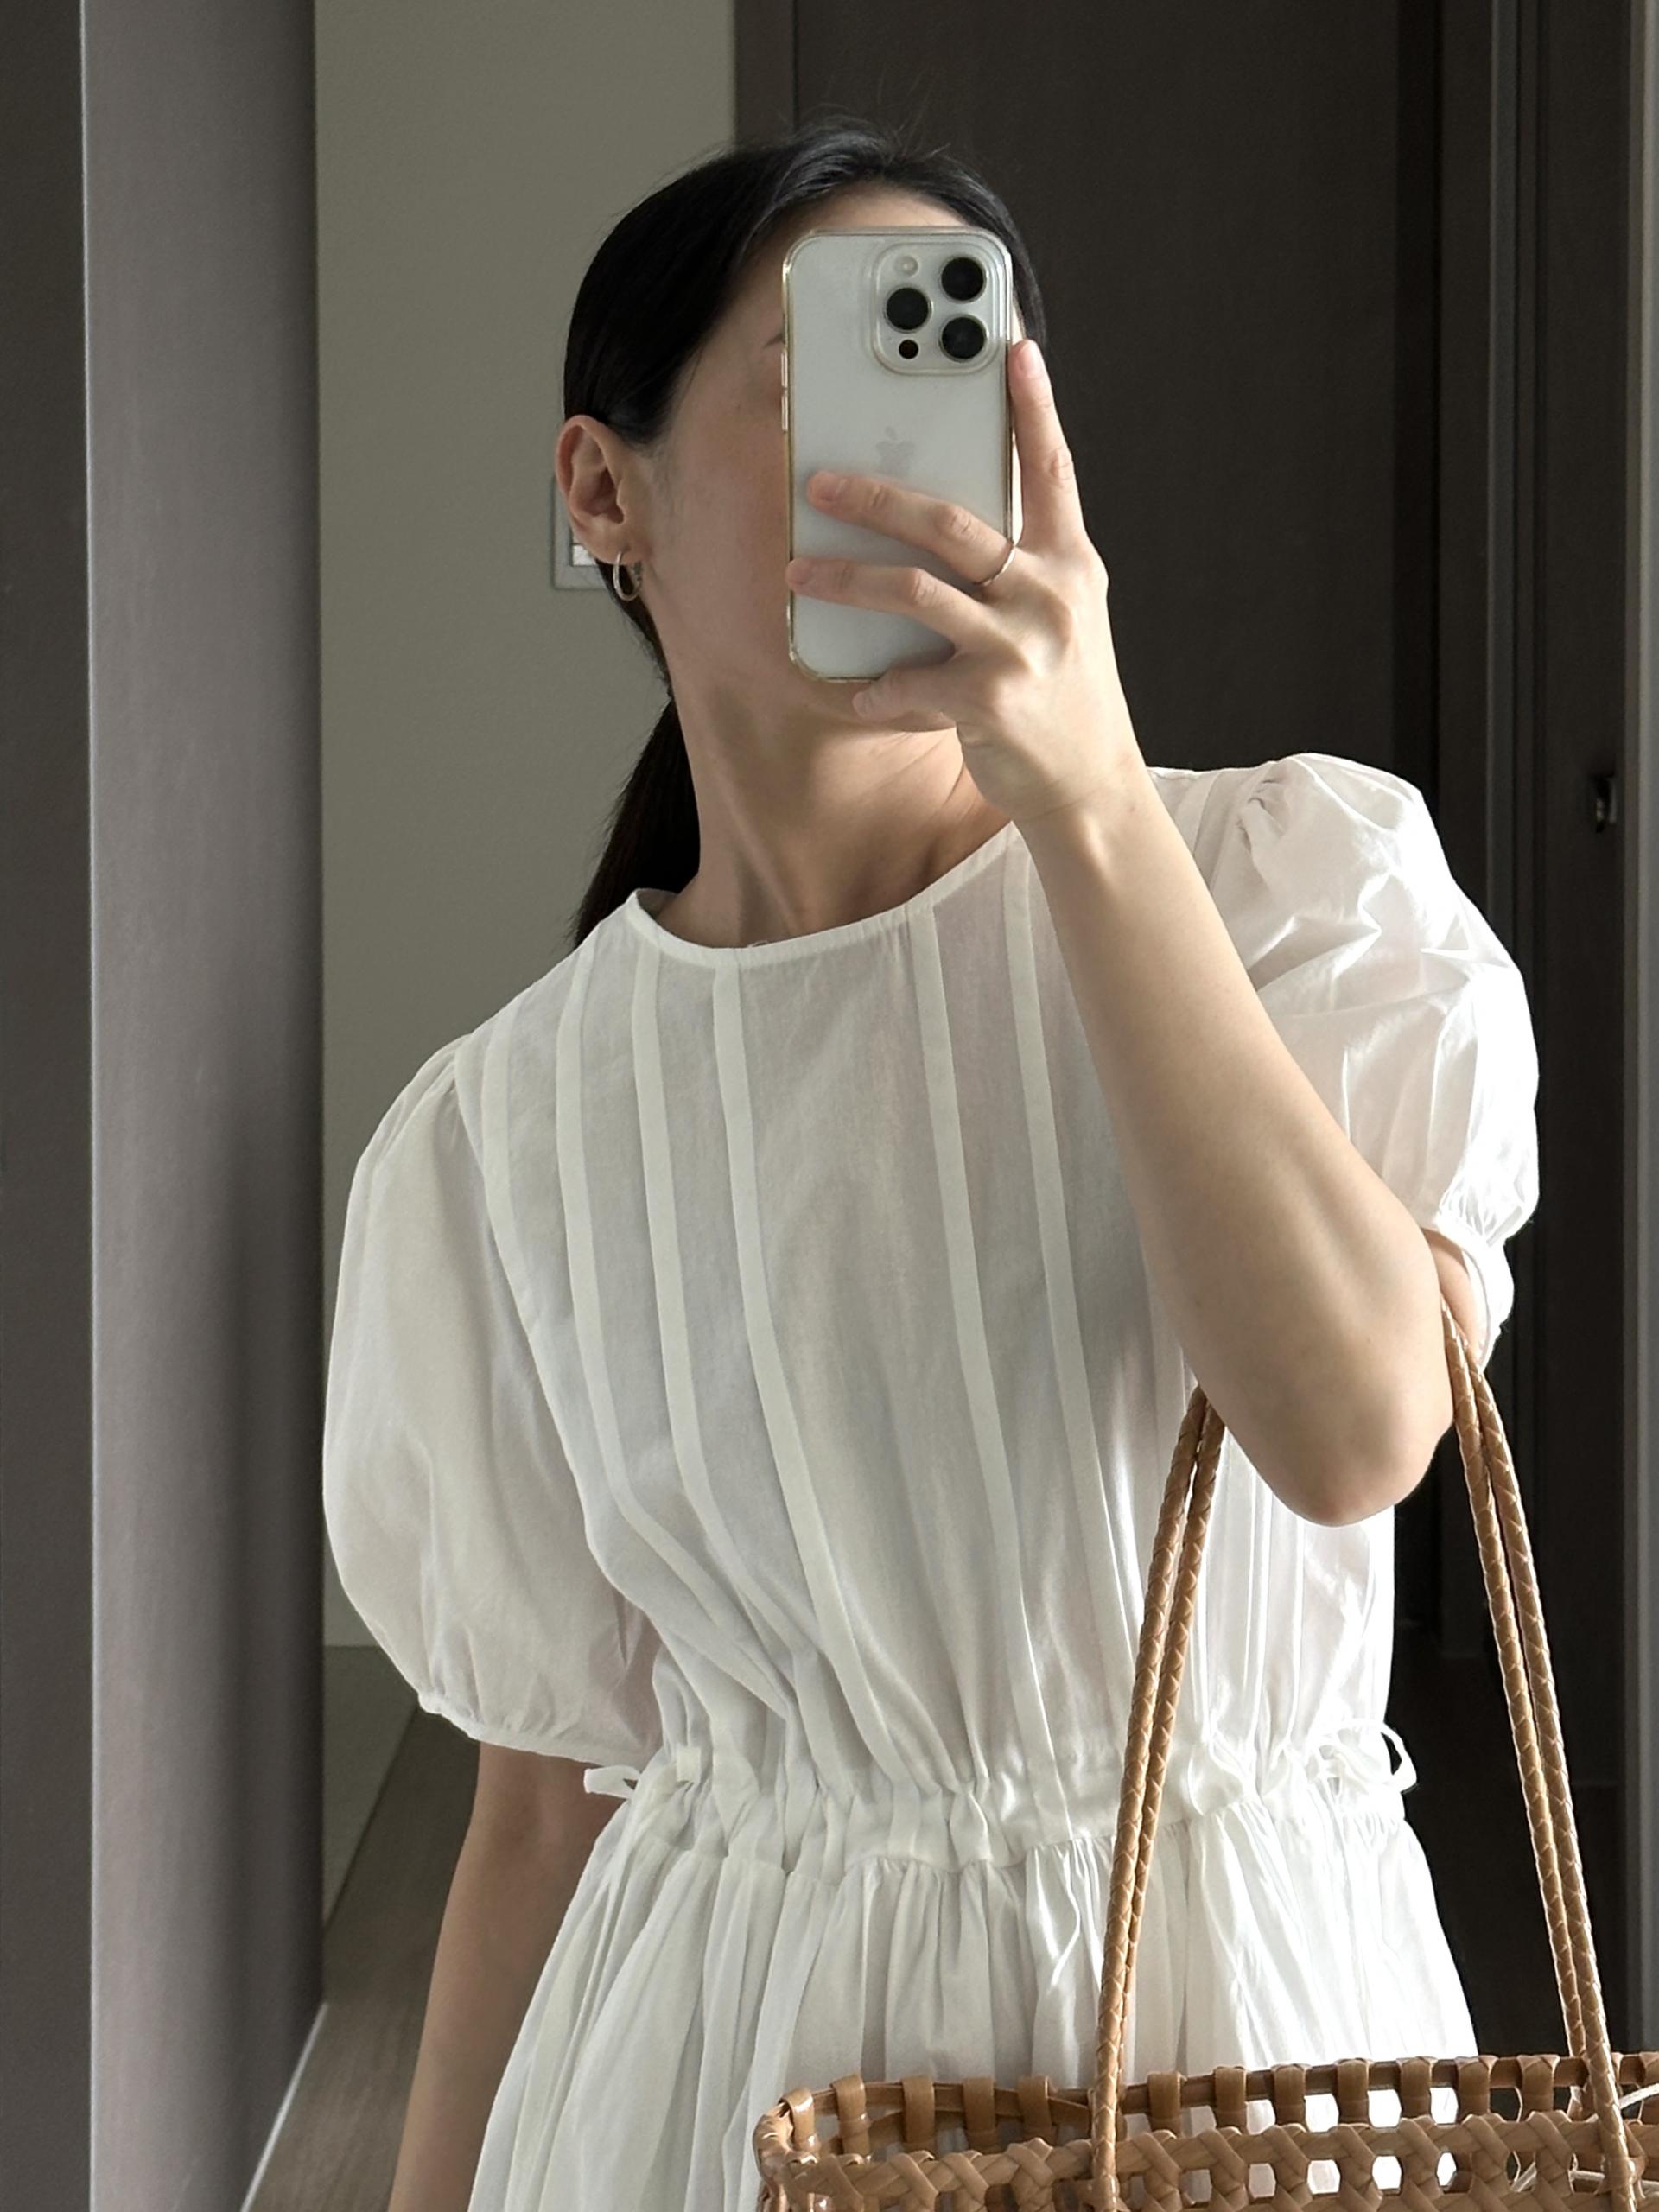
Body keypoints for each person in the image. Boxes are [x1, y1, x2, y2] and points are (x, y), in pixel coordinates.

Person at [321, 116, 1540, 2212]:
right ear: (602, 490)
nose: (913, 465)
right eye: (835, 378)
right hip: (716, 2083)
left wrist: (1088, 801)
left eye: (960, 378)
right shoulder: (505, 1130)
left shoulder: (1283, 885)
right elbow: (540, 1801)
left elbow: (1354, 1432)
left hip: (1246, 2060)